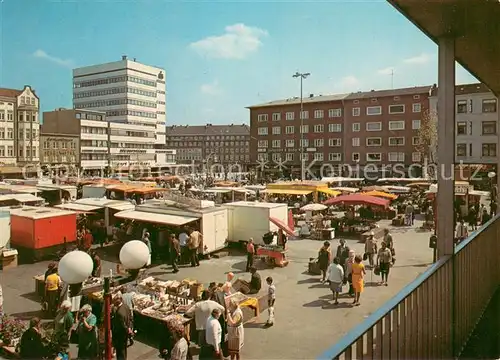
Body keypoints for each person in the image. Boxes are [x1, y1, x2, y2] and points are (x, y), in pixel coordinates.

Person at [112, 293, 132, 360]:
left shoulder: (119, 313)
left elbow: (122, 325)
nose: (113, 302)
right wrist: (129, 328)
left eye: (114, 300)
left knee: (120, 352)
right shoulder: (126, 306)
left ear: (119, 300)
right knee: (124, 350)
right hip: (125, 334)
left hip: (120, 335)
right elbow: (130, 318)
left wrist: (127, 329)